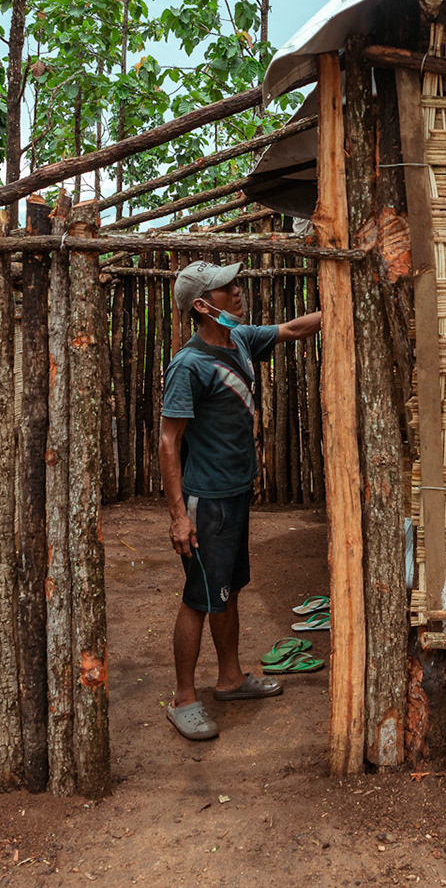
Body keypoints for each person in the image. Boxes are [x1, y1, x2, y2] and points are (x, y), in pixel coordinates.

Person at [159, 260, 321, 740]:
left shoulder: (242, 342)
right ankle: (183, 699)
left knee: (226, 590)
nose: (238, 292)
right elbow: (169, 442)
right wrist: (177, 518)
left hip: (235, 495)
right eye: (228, 289)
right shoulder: (189, 366)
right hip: (205, 503)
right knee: (197, 598)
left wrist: (338, 309)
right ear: (204, 305)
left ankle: (229, 679)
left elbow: (293, 328)